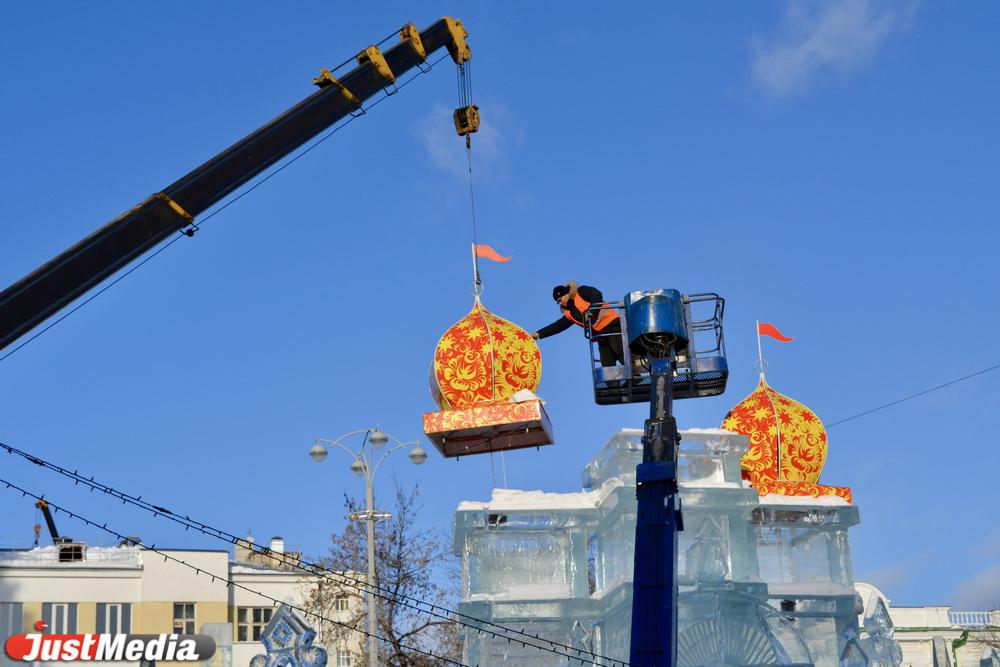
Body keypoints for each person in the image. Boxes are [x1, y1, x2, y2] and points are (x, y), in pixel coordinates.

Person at [531, 282, 624, 366]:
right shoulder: (569, 314)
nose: (560, 303)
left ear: (567, 294)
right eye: (558, 302)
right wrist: (538, 334)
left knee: (619, 350)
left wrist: (591, 311)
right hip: (601, 335)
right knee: (607, 361)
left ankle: (634, 376)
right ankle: (613, 384)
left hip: (612, 325)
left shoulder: (581, 292)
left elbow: (597, 295)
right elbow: (556, 327)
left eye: (560, 299)